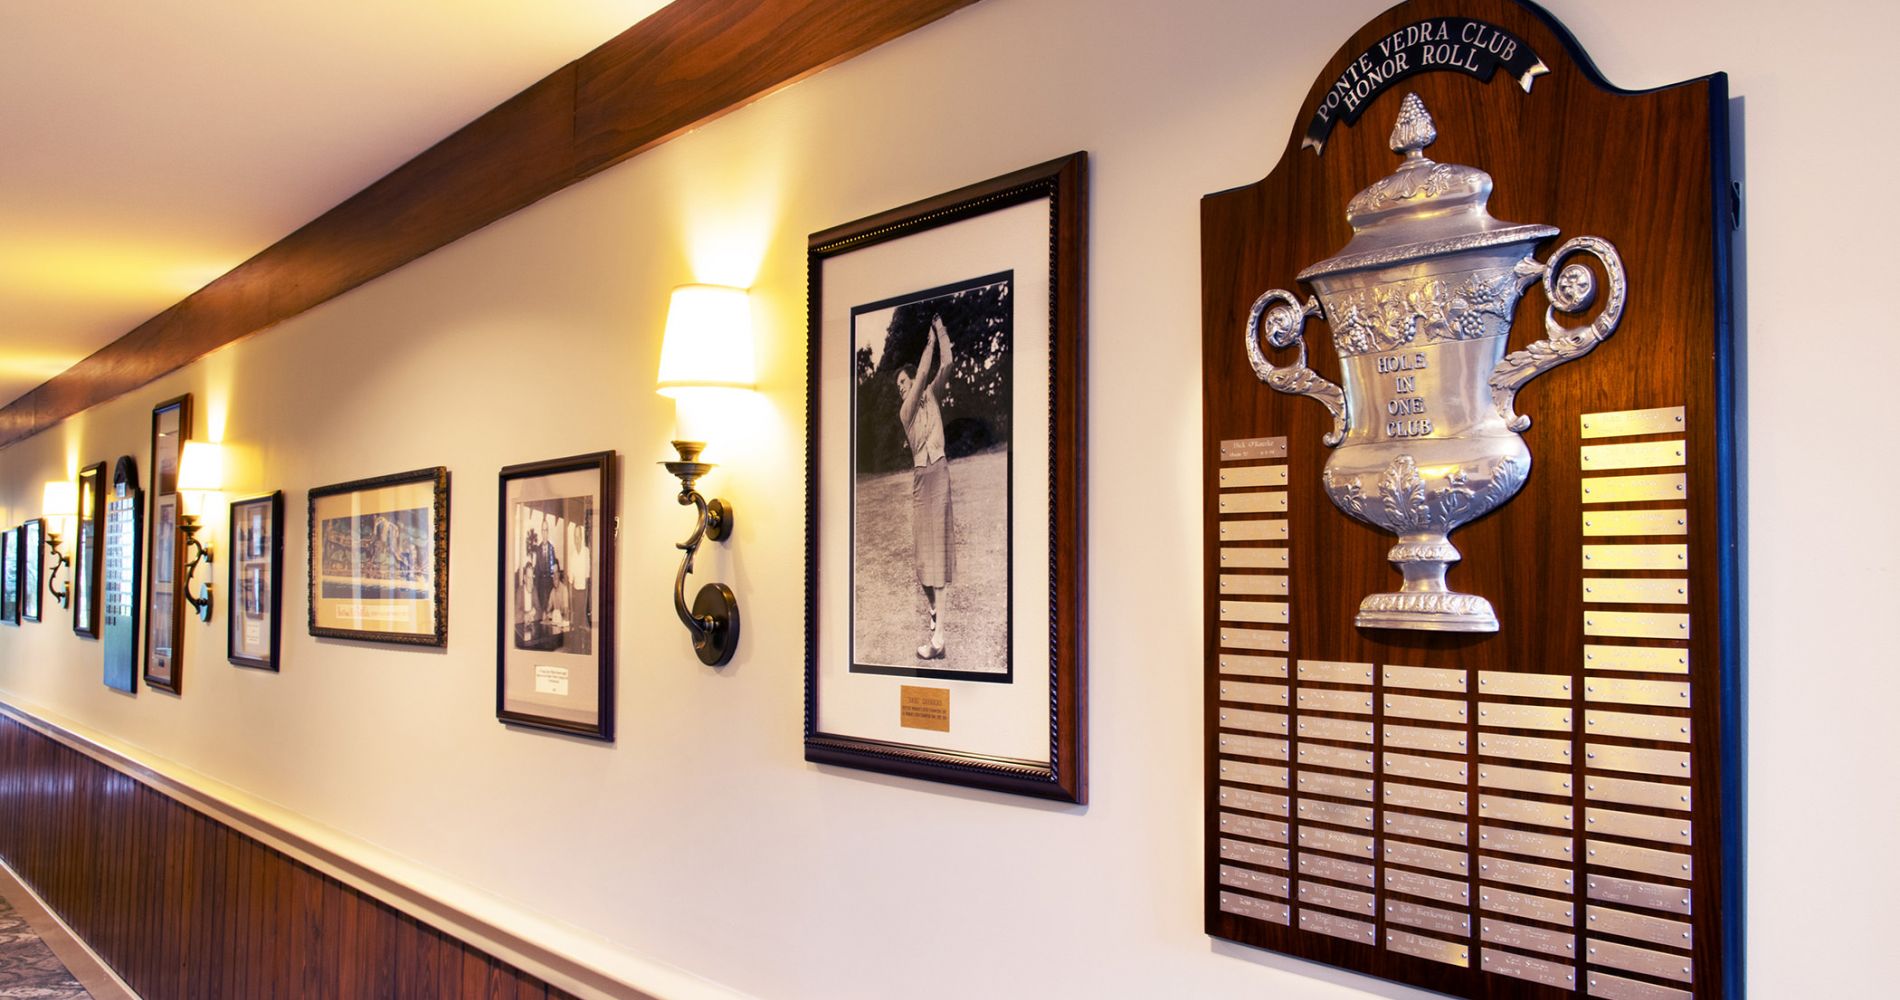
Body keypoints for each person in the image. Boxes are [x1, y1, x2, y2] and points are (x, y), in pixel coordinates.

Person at [896, 315, 955, 660]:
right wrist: (928, 342)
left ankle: (940, 637)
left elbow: (946, 363)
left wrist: (941, 332)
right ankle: (935, 614)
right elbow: (922, 376)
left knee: (939, 554)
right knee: (922, 562)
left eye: (902, 382)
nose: (902, 388)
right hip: (921, 479)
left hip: (940, 472)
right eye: (900, 386)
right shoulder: (906, 411)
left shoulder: (932, 395)